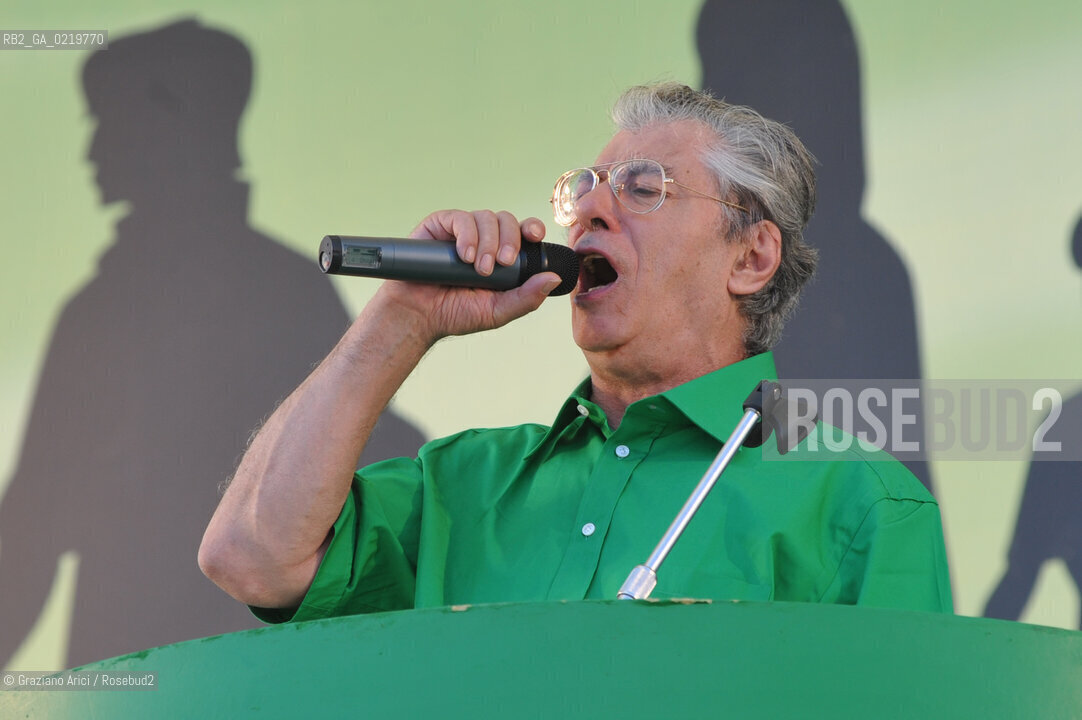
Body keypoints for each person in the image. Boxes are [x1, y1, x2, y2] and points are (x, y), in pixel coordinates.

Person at [199, 82, 952, 622]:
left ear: (751, 258)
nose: (590, 209)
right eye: (582, 190)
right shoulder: (460, 486)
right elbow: (249, 557)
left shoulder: (861, 504)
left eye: (644, 188)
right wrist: (402, 317)